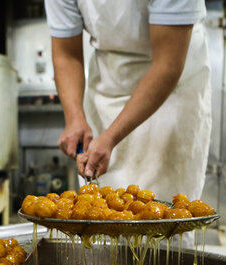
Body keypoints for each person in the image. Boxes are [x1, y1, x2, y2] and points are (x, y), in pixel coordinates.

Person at [45, 0, 212, 204]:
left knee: (166, 208)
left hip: (172, 89)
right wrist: (74, 118)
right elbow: (66, 55)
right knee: (102, 206)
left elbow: (167, 65)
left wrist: (111, 137)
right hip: (108, 83)